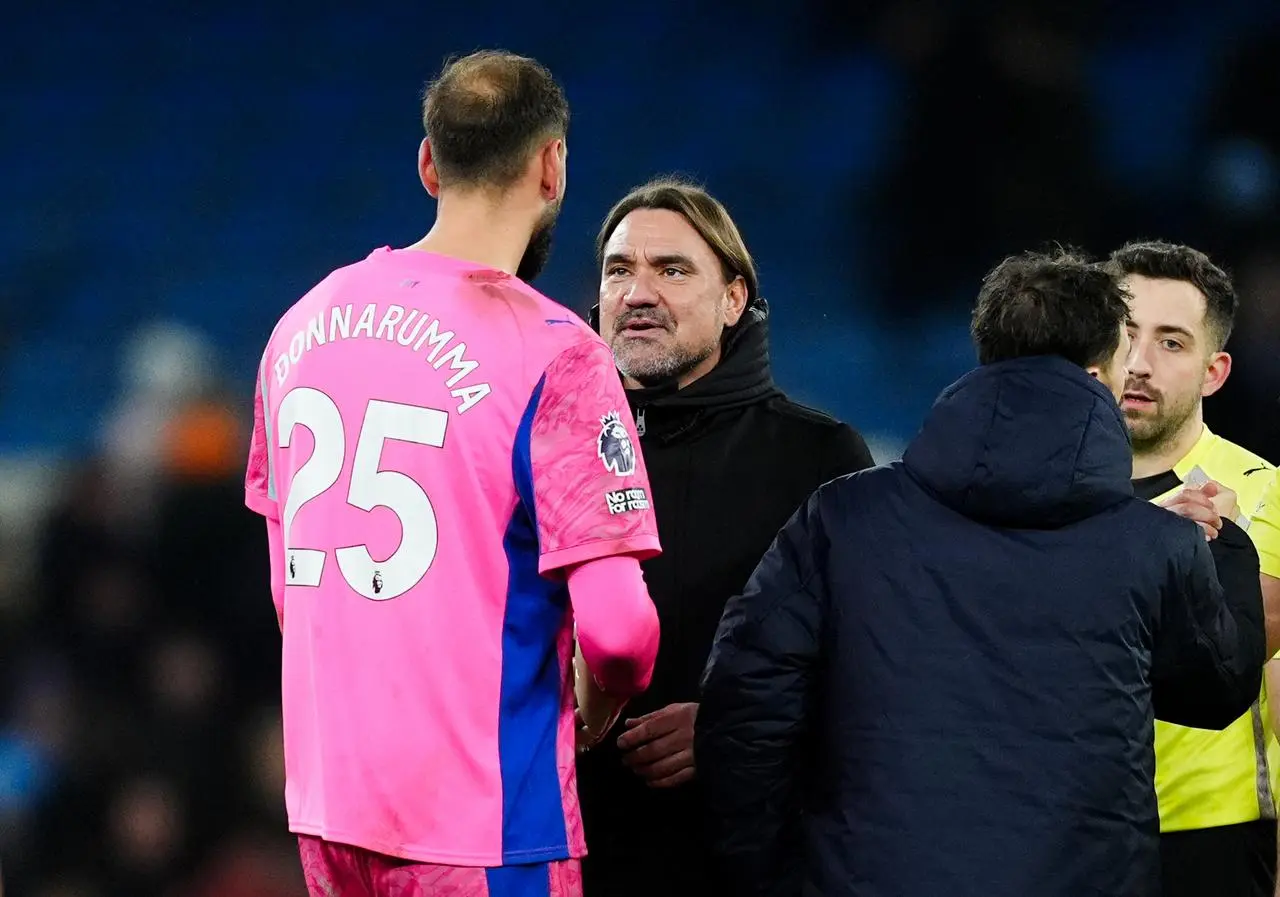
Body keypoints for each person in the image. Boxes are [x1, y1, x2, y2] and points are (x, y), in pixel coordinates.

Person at [696, 249, 1268, 897]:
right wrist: (1225, 546)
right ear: (1095, 373)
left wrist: (768, 871)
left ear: (989, 357)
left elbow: (744, 709)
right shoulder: (1156, 545)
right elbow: (1216, 688)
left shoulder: (844, 517)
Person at [242, 51, 662, 897]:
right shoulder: (557, 352)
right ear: (552, 167)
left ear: (429, 163)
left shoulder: (300, 326)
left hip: (330, 808)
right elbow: (620, 635)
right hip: (480, 822)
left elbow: (293, 591)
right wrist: (598, 705)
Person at [575, 176, 874, 896]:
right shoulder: (552, 451)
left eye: (671, 269)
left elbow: (875, 670)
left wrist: (735, 727)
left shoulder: (822, 459)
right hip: (575, 859)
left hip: (755, 860)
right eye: (620, 270)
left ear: (734, 298)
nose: (638, 292)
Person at [1105, 240, 1278, 897]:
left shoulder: (1266, 495)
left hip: (1211, 840)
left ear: (1215, 370)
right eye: (1125, 335)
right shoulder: (1044, 488)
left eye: (1172, 343)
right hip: (1065, 825)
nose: (1140, 363)